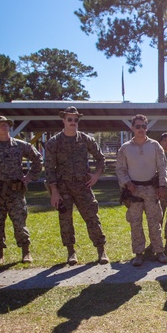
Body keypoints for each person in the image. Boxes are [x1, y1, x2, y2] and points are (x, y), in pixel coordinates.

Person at [43, 106, 109, 266]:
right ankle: (71, 252)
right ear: (64, 120)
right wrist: (54, 192)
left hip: (83, 186)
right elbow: (49, 168)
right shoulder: (54, 142)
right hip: (63, 187)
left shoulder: (85, 139)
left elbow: (101, 159)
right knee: (65, 220)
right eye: (70, 119)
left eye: (75, 120)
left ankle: (101, 250)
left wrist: (96, 175)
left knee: (92, 217)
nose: (73, 122)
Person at [0, 116, 43, 265]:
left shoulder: (19, 145)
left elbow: (37, 158)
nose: (4, 126)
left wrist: (30, 176)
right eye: (0, 125)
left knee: (20, 222)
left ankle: (26, 252)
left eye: (6, 124)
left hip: (15, 191)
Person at [116, 114, 167, 266]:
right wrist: (127, 183)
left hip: (151, 189)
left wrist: (162, 186)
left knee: (155, 221)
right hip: (134, 191)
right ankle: (138, 253)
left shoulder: (155, 146)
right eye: (138, 126)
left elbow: (162, 167)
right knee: (135, 222)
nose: (141, 129)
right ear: (132, 128)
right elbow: (120, 169)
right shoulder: (125, 148)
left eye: (144, 126)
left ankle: (159, 251)